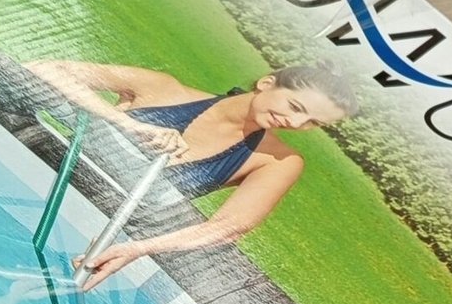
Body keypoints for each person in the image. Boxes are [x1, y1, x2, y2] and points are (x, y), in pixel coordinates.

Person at [28, 57, 347, 290]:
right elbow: (42, 69)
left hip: (89, 234)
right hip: (34, 181)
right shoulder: (163, 89)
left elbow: (227, 229)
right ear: (266, 83)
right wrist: (129, 124)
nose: (295, 123)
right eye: (295, 107)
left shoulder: (278, 161)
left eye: (312, 123)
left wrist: (136, 249)